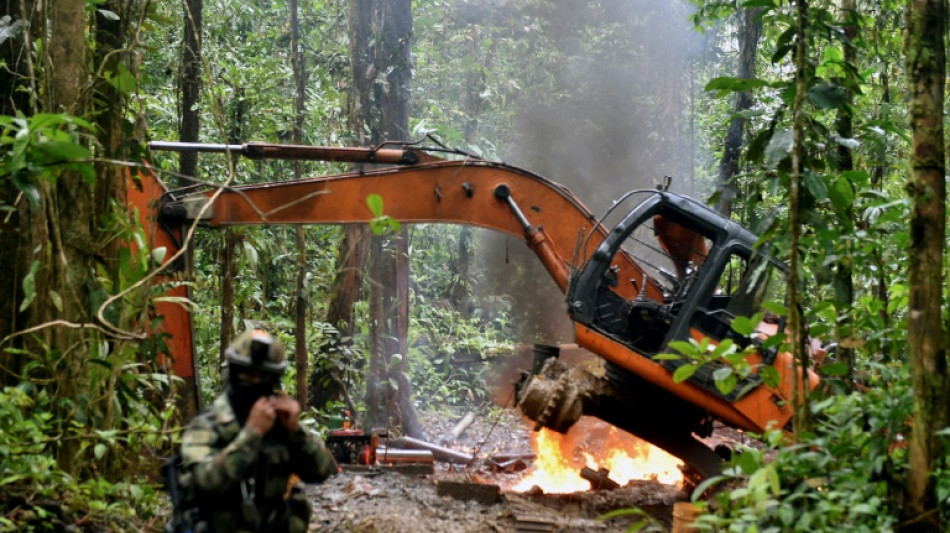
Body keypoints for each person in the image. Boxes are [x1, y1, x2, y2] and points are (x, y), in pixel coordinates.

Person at [175, 329, 337, 533]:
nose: (254, 381)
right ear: (234, 373)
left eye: (263, 376)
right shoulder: (209, 424)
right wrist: (252, 434)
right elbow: (204, 483)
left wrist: (296, 432)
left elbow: (323, 471)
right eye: (247, 374)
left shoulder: (279, 422)